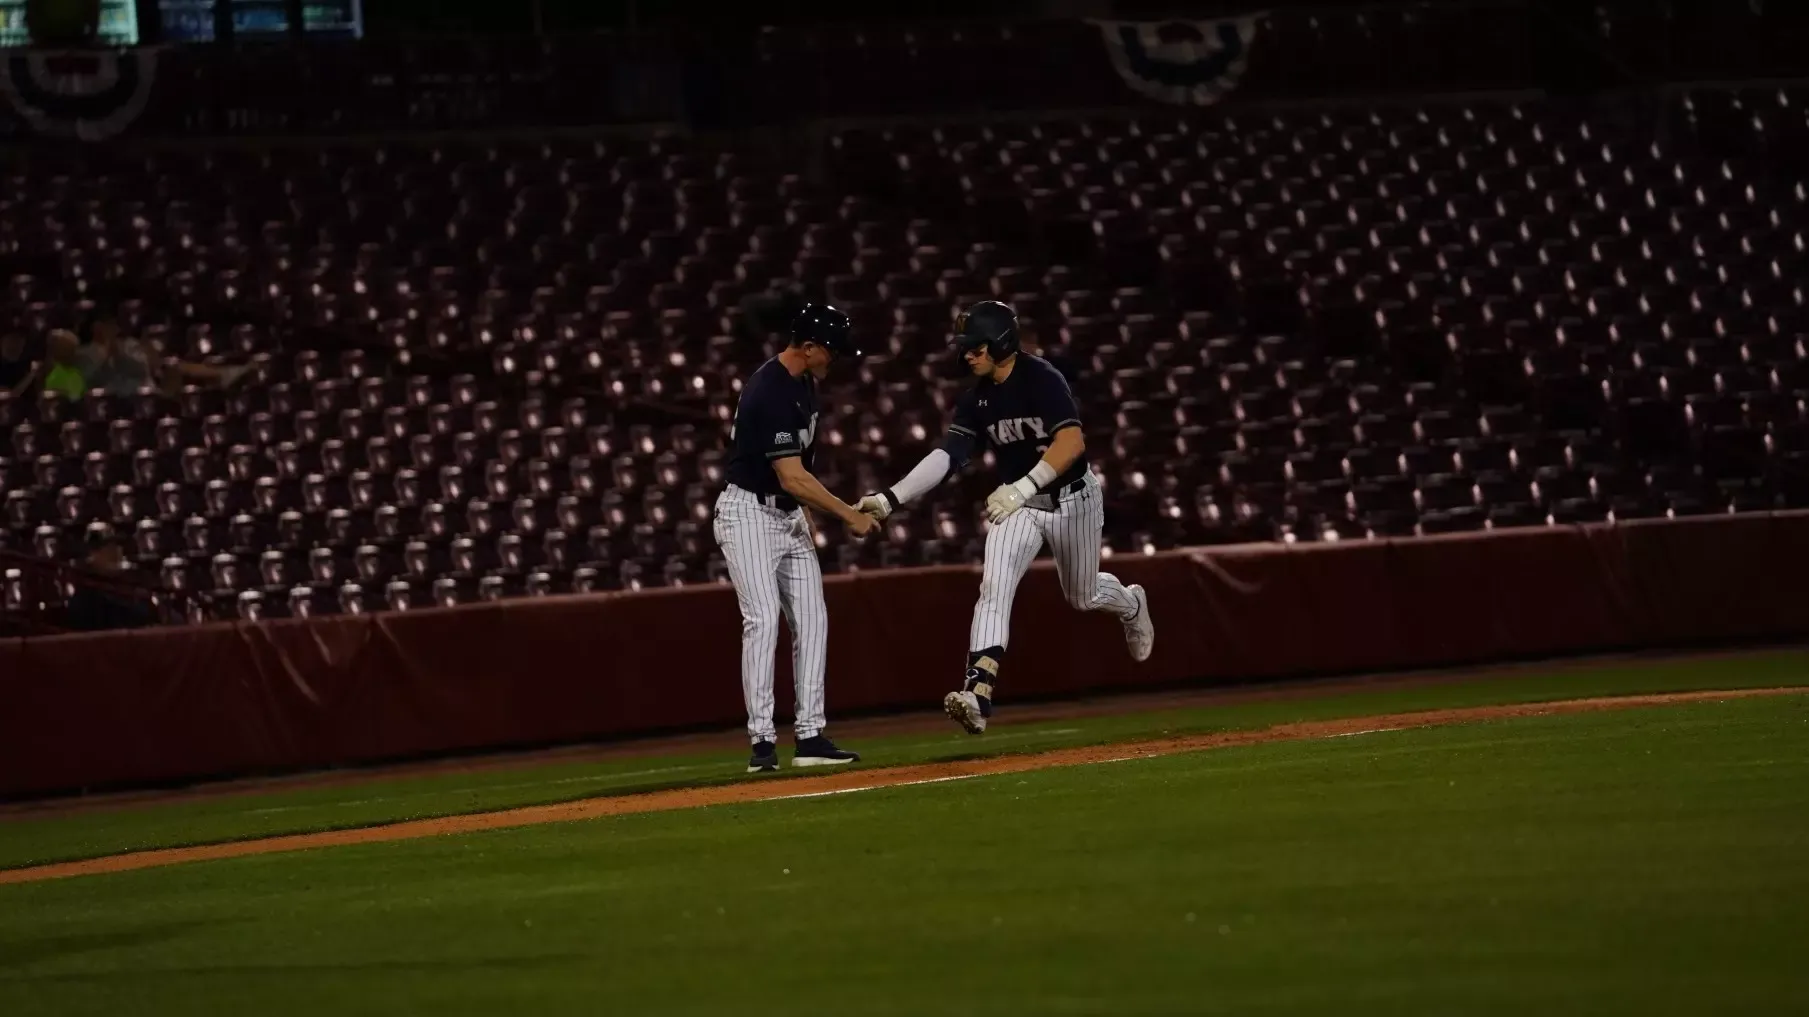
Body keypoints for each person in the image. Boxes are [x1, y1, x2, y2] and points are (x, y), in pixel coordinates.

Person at [856, 300, 1154, 735]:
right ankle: (977, 695)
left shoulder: (1041, 377)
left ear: (1001, 342)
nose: (967, 355)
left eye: (975, 347)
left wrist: (1023, 486)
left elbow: (1071, 442)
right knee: (993, 588)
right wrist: (890, 498)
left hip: (1072, 499)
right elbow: (949, 454)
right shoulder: (976, 397)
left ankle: (1131, 604)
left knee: (1083, 596)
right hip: (1020, 507)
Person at [713, 303, 875, 772]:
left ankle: (810, 736)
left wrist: (807, 512)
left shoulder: (803, 383)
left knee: (813, 619)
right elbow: (790, 475)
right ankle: (762, 743)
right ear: (808, 348)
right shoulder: (771, 390)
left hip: (785, 516)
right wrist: (848, 514)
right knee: (763, 621)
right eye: (832, 352)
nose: (836, 360)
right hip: (748, 514)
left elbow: (796, 476)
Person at [66, 530, 158, 632]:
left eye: (118, 546)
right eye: (109, 548)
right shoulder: (85, 594)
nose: (116, 552)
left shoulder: (129, 584)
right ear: (93, 553)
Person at [0, 332, 41, 397]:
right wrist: (31, 375)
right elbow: (9, 395)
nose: (15, 346)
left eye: (19, 344)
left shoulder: (26, 364)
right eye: (11, 342)